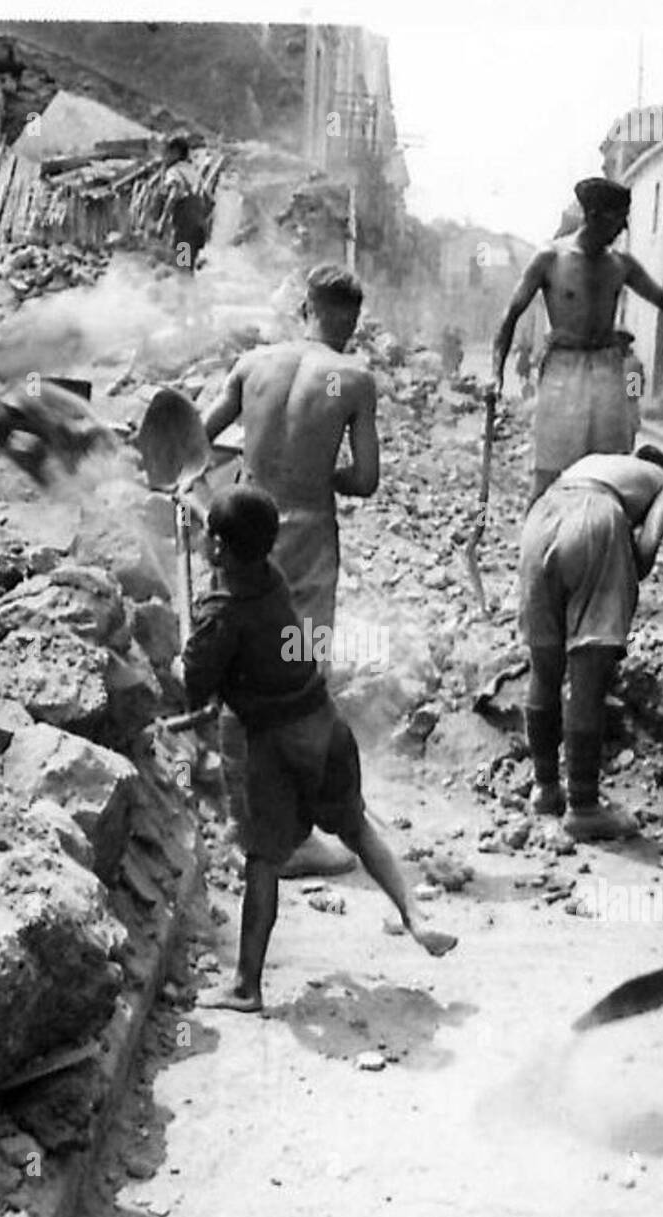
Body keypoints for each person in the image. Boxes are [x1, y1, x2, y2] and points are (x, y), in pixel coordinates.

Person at [183, 487, 454, 1012]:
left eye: (209, 538)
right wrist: (202, 519)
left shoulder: (221, 614)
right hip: (325, 727)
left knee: (262, 860)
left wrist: (186, 657)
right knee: (355, 826)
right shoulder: (271, 580)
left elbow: (194, 689)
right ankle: (415, 917)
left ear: (218, 547)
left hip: (274, 745)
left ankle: (246, 985)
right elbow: (238, 554)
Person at [201, 263, 379, 875]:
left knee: (238, 672)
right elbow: (366, 480)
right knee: (300, 675)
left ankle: (238, 820)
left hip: (244, 527)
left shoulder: (253, 364)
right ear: (349, 318)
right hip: (304, 534)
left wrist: (258, 459)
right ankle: (293, 834)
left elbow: (193, 440)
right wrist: (314, 469)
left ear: (305, 306)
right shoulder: (352, 376)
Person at [491, 177, 663, 507]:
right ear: (593, 215)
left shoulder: (620, 266)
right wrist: (496, 373)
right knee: (548, 474)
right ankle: (532, 549)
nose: (623, 229)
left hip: (606, 371)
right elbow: (510, 315)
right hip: (563, 370)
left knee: (612, 473)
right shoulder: (550, 258)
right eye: (618, 219)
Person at [519, 445, 663, 840]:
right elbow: (645, 555)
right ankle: (584, 807)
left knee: (544, 668)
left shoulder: (594, 463)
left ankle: (545, 788)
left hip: (541, 516)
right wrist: (621, 564)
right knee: (587, 675)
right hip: (595, 519)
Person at [155, 135, 209, 274]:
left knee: (181, 268)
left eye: (168, 152)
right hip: (199, 229)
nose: (165, 156)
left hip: (185, 229)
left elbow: (173, 193)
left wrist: (162, 221)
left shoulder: (174, 172)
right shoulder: (195, 173)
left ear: (176, 153)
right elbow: (210, 200)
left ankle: (183, 294)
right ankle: (191, 293)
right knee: (188, 268)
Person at [616, 328, 646, 447]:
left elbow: (633, 393)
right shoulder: (613, 360)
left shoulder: (632, 364)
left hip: (625, 415)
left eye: (618, 343)